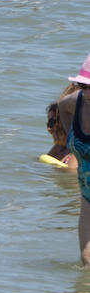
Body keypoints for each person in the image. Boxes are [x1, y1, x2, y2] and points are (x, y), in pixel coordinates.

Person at [56, 56, 90, 264]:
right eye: (83, 86)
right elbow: (61, 106)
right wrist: (71, 136)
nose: (86, 92)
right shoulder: (75, 102)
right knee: (86, 259)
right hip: (87, 194)